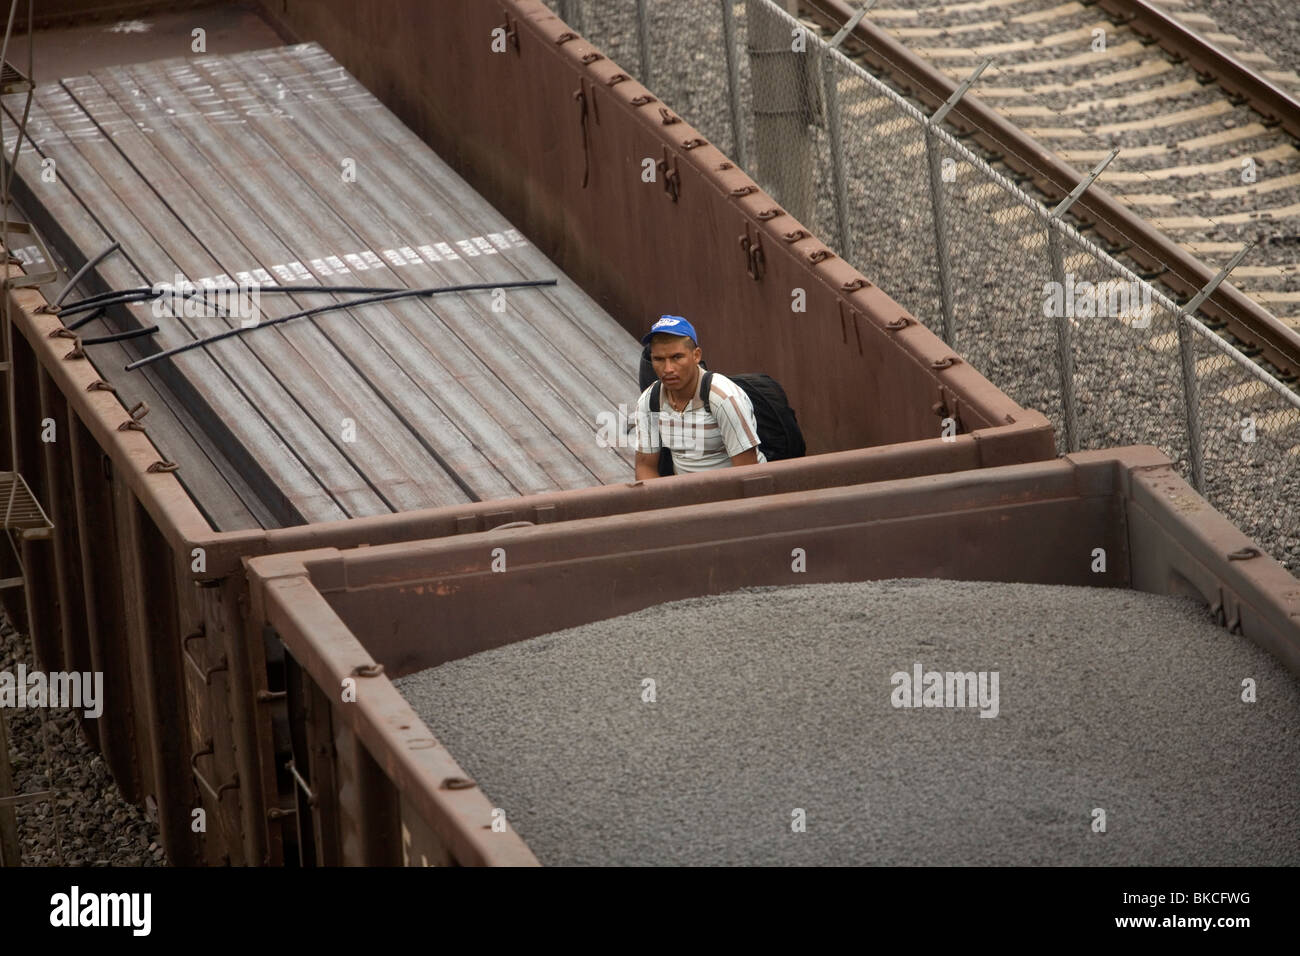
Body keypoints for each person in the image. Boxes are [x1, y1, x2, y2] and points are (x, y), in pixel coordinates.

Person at [633, 315, 766, 479]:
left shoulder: (723, 397)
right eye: (658, 359)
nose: (667, 369)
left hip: (733, 495)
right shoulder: (649, 400)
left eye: (677, 357)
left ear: (696, 355)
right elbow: (645, 466)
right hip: (688, 496)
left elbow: (748, 473)